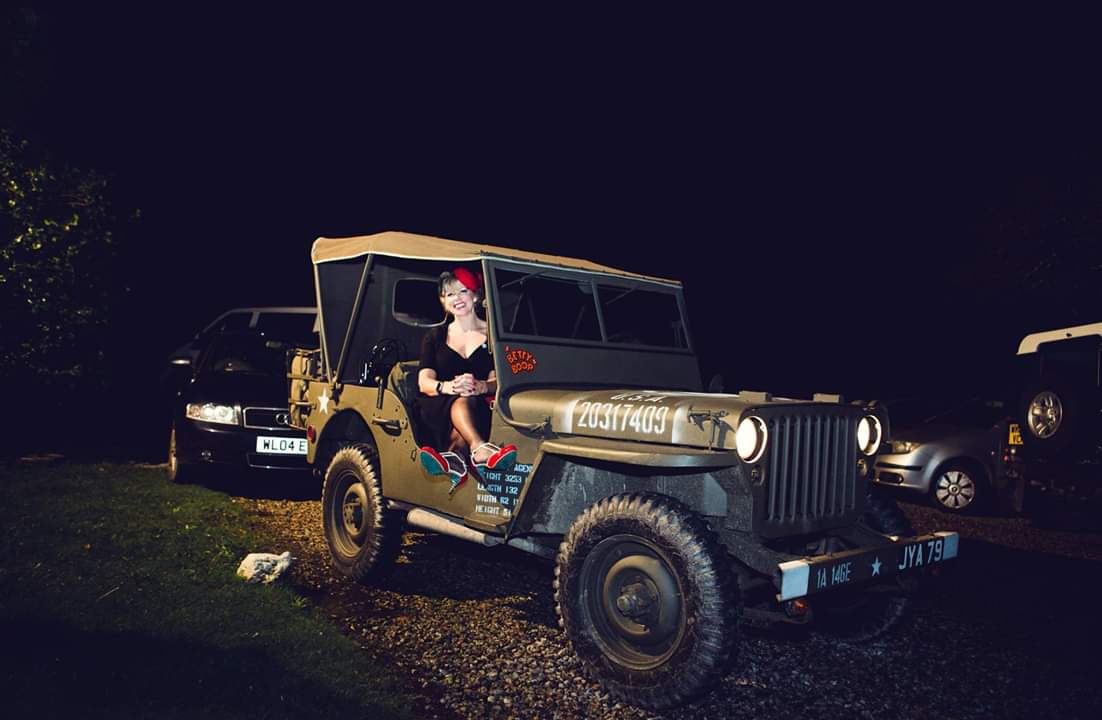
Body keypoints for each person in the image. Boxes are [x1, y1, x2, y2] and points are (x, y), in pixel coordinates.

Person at [416, 267, 515, 489]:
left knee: (466, 405)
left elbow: (498, 380)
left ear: (475, 295)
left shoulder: (495, 335)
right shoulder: (434, 336)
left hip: (479, 406)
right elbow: (424, 382)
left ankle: (455, 459)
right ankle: (479, 448)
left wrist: (481, 386)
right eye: (450, 294)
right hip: (437, 407)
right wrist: (449, 386)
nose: (457, 299)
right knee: (461, 400)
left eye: (463, 291)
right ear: (443, 301)